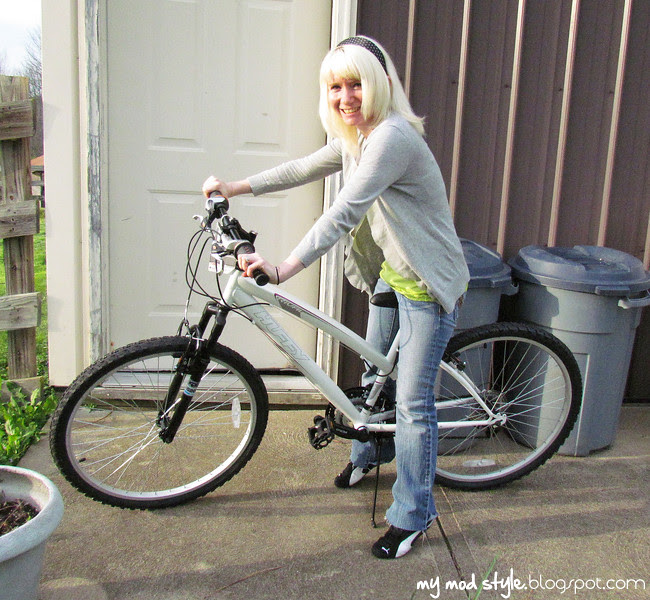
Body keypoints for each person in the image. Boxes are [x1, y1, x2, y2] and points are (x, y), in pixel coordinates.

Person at [203, 35, 470, 559]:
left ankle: (412, 516)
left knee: (413, 406)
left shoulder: (391, 137)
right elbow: (303, 168)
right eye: (335, 87)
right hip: (393, 274)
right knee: (373, 376)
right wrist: (233, 187)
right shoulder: (357, 136)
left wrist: (284, 268)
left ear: (380, 84)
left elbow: (343, 211)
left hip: (426, 285)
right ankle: (369, 455)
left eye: (355, 85)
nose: (345, 97)